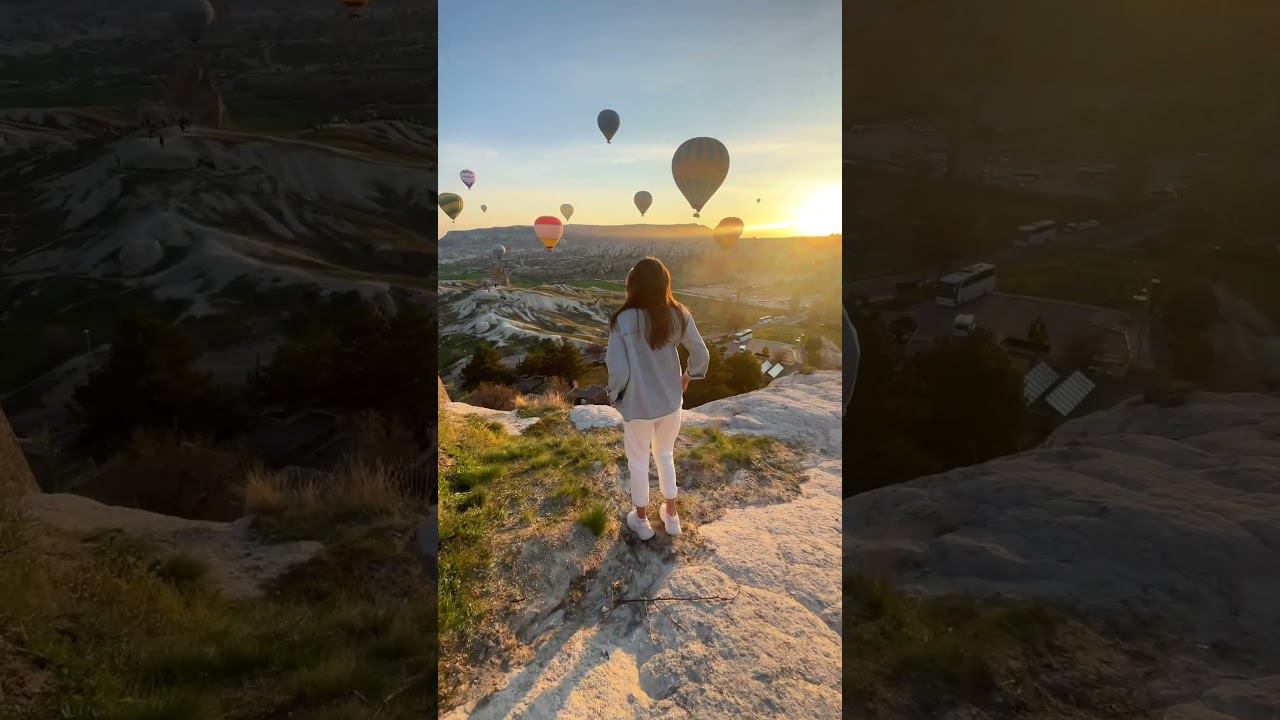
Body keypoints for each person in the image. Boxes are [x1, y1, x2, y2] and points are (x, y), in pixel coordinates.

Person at [606, 257, 709, 541]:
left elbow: (618, 369)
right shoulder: (678, 313)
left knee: (638, 460)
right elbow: (701, 354)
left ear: (632, 286)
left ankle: (641, 522)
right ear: (665, 283)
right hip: (670, 401)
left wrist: (615, 395)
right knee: (665, 454)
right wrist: (689, 376)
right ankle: (672, 516)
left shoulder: (622, 320)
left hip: (638, 404)